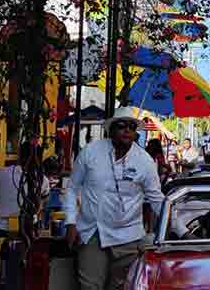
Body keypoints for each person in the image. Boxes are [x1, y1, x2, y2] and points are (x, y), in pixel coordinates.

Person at [64, 109, 164, 290]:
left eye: (132, 127)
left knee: (124, 287)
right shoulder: (90, 152)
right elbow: (72, 188)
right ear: (110, 130)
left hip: (129, 237)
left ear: (136, 133)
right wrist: (70, 222)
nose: (127, 130)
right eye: (121, 126)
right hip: (93, 233)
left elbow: (157, 200)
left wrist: (182, 230)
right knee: (89, 286)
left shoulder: (145, 161)